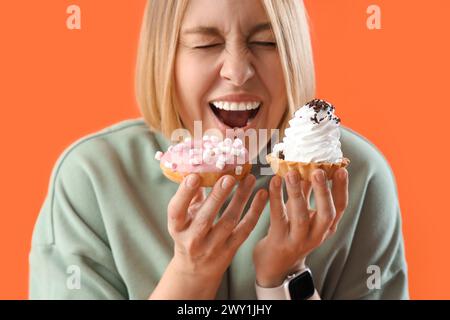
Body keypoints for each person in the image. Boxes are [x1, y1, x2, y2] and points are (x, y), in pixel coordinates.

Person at [29, 0, 409, 299]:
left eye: (265, 41)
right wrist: (190, 274)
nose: (237, 70)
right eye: (205, 43)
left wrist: (284, 278)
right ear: (167, 59)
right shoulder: (92, 178)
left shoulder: (354, 178)